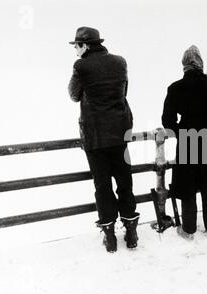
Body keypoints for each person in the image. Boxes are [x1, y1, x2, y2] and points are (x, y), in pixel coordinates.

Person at [68, 26, 139, 252]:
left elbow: (73, 94)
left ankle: (109, 236)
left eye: (77, 46)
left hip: (96, 138)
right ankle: (131, 231)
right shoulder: (120, 62)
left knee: (103, 186)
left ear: (85, 45)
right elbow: (123, 91)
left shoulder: (81, 66)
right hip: (120, 134)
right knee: (125, 183)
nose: (75, 51)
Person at [162, 45, 207, 240]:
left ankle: (189, 230)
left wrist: (180, 133)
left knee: (187, 188)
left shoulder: (175, 88)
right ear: (200, 64)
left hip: (187, 143)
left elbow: (167, 120)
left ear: (184, 66)